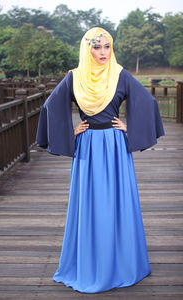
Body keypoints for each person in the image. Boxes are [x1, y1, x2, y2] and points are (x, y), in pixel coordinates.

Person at [36, 27, 165, 293]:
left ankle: (121, 263)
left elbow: (148, 102)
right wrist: (68, 132)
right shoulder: (75, 77)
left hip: (115, 146)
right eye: (96, 47)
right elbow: (50, 105)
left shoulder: (120, 74)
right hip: (88, 147)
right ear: (87, 48)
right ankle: (90, 263)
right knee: (90, 204)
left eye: (107, 46)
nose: (103, 52)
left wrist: (132, 127)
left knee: (117, 203)